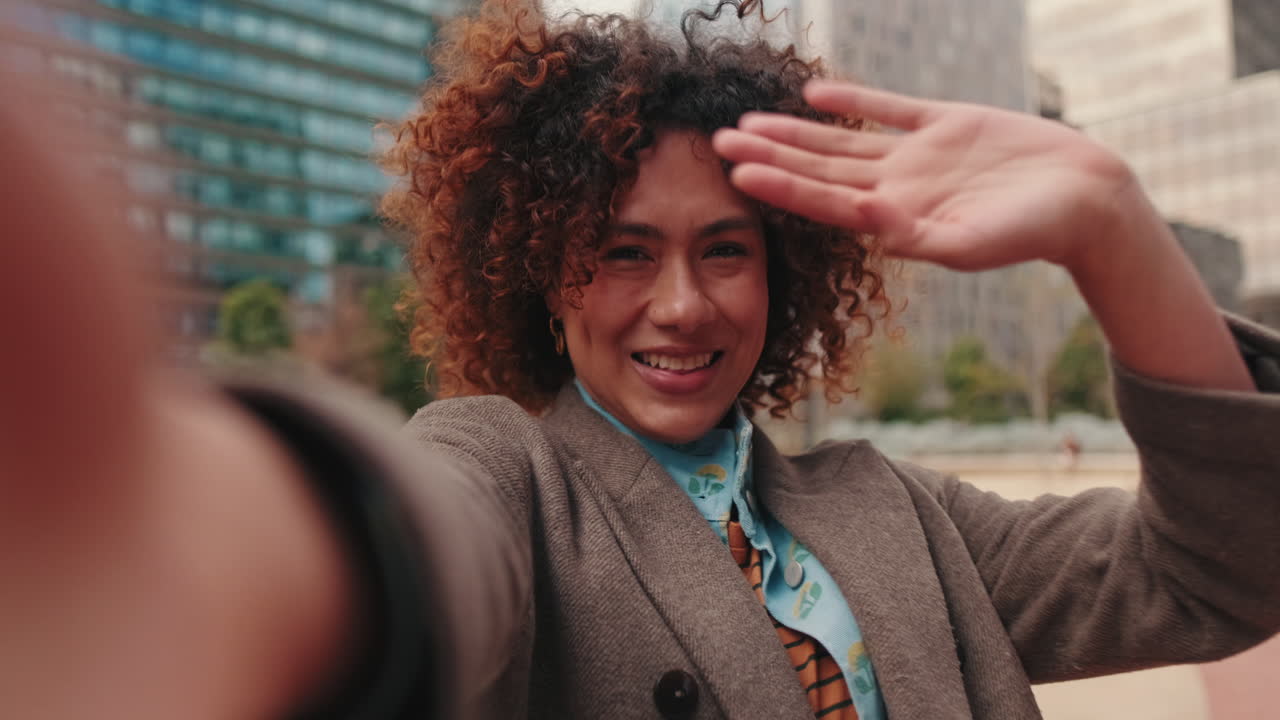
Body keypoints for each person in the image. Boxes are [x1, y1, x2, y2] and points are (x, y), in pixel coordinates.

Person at [2, 1, 1278, 719]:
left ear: (783, 271)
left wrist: (1113, 230)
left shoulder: (897, 509)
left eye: (725, 249)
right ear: (537, 275)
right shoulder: (504, 465)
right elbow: (412, 547)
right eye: (619, 251)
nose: (680, 304)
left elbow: (1219, 573)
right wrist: (166, 554)